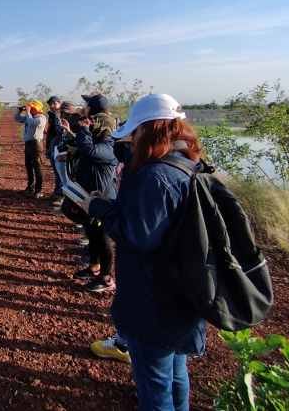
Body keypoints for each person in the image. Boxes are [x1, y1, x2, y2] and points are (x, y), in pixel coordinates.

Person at [80, 93, 205, 411]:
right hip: (183, 293)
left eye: (136, 132)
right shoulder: (187, 163)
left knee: (154, 386)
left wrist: (99, 209)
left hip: (154, 301)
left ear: (149, 131)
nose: (131, 139)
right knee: (176, 373)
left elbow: (137, 235)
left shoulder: (154, 178)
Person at [60, 112, 118, 292]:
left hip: (103, 199)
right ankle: (94, 267)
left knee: (103, 238)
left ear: (103, 126)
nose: (90, 124)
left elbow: (90, 150)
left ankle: (107, 278)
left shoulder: (109, 146)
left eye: (94, 122)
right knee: (91, 232)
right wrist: (72, 137)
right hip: (89, 198)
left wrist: (84, 129)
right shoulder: (97, 142)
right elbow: (83, 146)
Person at [15, 100, 47, 198]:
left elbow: (32, 123)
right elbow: (17, 119)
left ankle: (39, 190)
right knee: (28, 166)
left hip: (36, 144)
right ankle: (30, 187)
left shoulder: (41, 118)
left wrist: (28, 112)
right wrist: (20, 111)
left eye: (32, 108)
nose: (30, 109)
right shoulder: (30, 117)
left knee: (37, 167)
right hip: (28, 144)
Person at [45, 96, 63, 202]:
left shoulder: (58, 115)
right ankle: (57, 193)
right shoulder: (53, 115)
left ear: (59, 103)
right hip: (53, 146)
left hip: (58, 147)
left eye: (54, 103)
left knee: (59, 172)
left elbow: (59, 132)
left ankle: (59, 195)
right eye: (50, 104)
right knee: (57, 172)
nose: (52, 106)